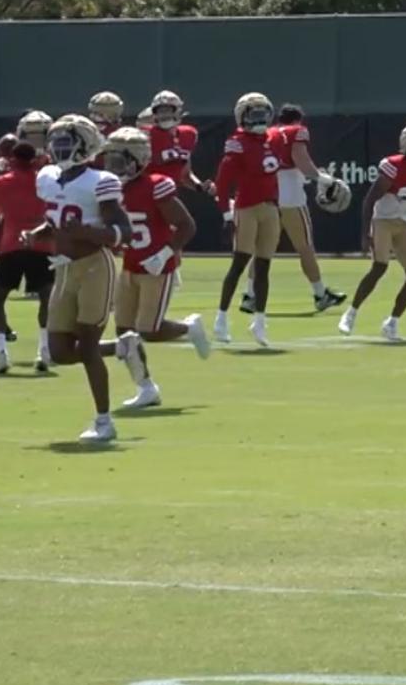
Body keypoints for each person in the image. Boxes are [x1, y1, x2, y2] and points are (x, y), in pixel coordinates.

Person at [25, 116, 130, 442]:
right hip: (64, 268)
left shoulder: (101, 180)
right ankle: (124, 347)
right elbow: (57, 218)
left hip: (95, 265)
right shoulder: (49, 178)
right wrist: (38, 233)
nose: (59, 150)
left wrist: (87, 231)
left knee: (86, 345)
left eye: (66, 144)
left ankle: (104, 421)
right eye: (56, 144)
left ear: (84, 147)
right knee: (58, 351)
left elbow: (122, 231)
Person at [102, 127, 210, 410]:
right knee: (125, 332)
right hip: (130, 264)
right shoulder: (112, 188)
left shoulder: (156, 185)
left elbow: (187, 225)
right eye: (110, 160)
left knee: (147, 330)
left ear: (138, 159)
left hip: (157, 267)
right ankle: (146, 387)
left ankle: (188, 328)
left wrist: (163, 254)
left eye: (119, 160)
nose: (113, 167)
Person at [339, 123, 406, 341]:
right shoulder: (394, 166)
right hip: (383, 220)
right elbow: (370, 199)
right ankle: (351, 313)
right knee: (379, 267)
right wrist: (365, 231)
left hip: (404, 223)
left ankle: (392, 322)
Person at [0, 138, 55, 375]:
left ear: (12, 158)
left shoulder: (1, 182)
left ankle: (2, 351)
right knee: (46, 298)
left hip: (10, 244)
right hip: (41, 244)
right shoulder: (46, 181)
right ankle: (44, 349)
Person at [264, 104, 347, 313]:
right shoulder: (297, 131)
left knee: (263, 248)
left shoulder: (267, 133)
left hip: (268, 192)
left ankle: (250, 294)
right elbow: (299, 157)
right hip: (291, 195)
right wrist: (321, 177)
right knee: (305, 247)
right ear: (298, 120)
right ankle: (320, 294)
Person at [212, 92, 279, 347]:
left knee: (263, 266)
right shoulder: (237, 142)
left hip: (270, 207)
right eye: (255, 114)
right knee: (239, 263)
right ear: (243, 117)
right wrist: (226, 214)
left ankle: (259, 321)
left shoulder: (274, 139)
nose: (261, 119)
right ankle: (221, 318)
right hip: (247, 207)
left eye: (264, 113)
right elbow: (223, 181)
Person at [143, 91, 204, 192]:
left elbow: (185, 175)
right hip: (147, 192)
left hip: (169, 193)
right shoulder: (146, 135)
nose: (164, 114)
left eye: (167, 110)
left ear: (178, 111)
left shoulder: (188, 134)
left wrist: (200, 186)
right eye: (160, 111)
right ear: (154, 114)